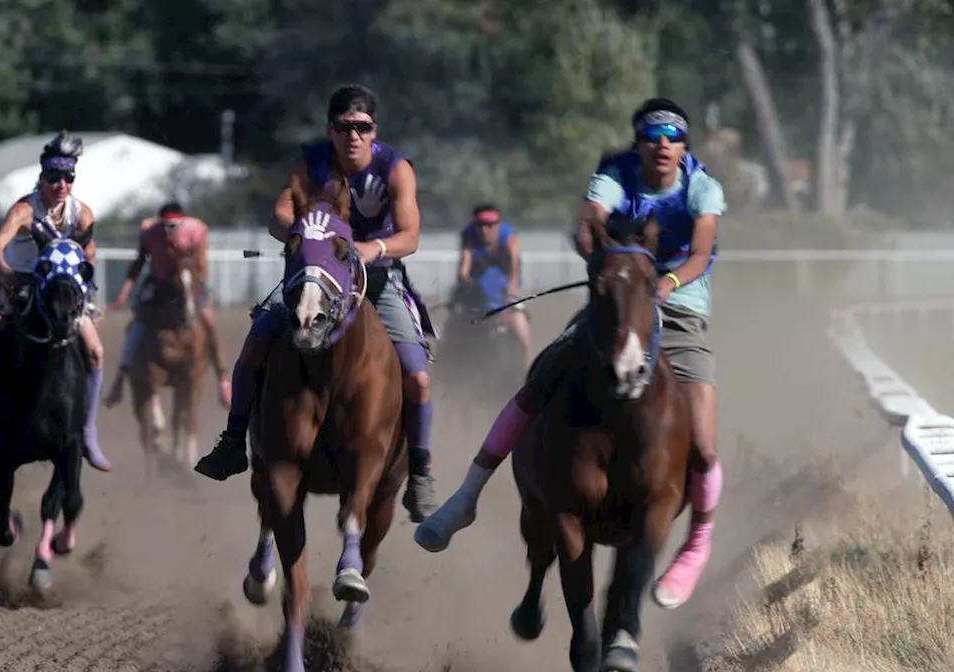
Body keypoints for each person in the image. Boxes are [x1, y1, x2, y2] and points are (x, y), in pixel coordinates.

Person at [415, 98, 726, 608]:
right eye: (654, 135)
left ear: (684, 145)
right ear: (639, 144)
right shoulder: (614, 175)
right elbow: (588, 223)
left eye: (674, 135)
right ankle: (466, 496)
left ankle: (697, 542)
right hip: (614, 302)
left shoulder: (702, 187)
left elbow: (699, 253)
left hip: (679, 311)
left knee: (706, 443)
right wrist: (605, 261)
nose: (664, 143)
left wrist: (664, 283)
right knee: (542, 377)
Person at [192, 84, 440, 523]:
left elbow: (410, 235)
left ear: (374, 130)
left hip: (377, 278)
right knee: (255, 345)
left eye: (362, 127)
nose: (353, 136)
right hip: (316, 275)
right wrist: (307, 236)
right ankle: (233, 442)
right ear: (331, 129)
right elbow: (279, 214)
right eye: (344, 127)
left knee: (417, 379)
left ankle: (420, 471)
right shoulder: (310, 161)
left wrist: (370, 250)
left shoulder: (395, 168)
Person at [0, 131, 112, 472]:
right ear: (42, 176)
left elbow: (89, 257)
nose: (60, 184)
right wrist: (6, 272)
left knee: (96, 351)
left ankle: (87, 432)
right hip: (16, 280)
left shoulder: (81, 213)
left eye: (67, 177)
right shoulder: (25, 209)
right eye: (54, 176)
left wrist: (85, 293)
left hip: (60, 290)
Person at [102, 202, 232, 408]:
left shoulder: (196, 232)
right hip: (159, 285)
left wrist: (194, 290)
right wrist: (122, 294)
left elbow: (201, 266)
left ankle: (223, 379)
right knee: (136, 326)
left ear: (181, 223)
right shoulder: (149, 234)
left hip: (188, 286)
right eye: (164, 225)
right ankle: (120, 379)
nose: (168, 230)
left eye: (173, 226)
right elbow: (139, 262)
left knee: (209, 323)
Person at [456, 203, 532, 370]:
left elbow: (514, 268)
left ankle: (527, 373)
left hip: (504, 290)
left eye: (490, 225)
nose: (485, 230)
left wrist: (511, 290)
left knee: (522, 333)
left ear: (498, 225)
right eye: (480, 225)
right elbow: (464, 270)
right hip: (477, 291)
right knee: (453, 327)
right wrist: (467, 285)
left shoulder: (509, 236)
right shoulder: (468, 236)